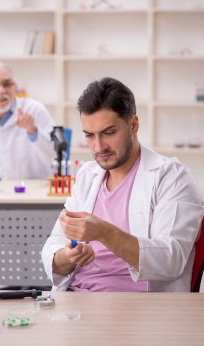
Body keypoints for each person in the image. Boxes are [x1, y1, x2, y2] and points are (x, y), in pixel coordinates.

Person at [42, 77, 203, 292]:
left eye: (108, 133)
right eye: (90, 135)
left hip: (136, 308)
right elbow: (54, 246)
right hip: (77, 300)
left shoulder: (172, 177)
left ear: (133, 124)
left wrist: (104, 233)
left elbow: (170, 259)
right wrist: (68, 256)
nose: (99, 146)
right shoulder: (87, 176)